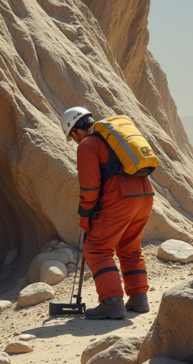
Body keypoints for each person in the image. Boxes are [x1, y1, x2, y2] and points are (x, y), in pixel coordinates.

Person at [61, 107, 154, 319]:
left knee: (96, 249)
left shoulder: (88, 145)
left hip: (121, 199)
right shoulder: (114, 137)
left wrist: (85, 216)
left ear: (75, 131)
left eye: (72, 138)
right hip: (145, 195)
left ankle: (111, 301)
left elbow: (90, 188)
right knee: (129, 247)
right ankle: (139, 298)